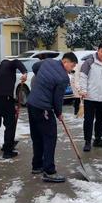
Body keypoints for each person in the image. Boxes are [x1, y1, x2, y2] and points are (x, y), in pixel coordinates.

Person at [27, 52, 78, 183]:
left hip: (31, 103)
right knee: (50, 137)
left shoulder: (48, 62)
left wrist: (42, 80)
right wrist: (58, 113)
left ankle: (37, 166)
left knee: (37, 136)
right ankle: (49, 171)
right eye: (72, 66)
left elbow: (35, 67)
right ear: (65, 62)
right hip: (43, 108)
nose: (72, 69)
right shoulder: (63, 78)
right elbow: (58, 98)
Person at [0, 59, 28, 158]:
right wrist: (24, 73)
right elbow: (17, 62)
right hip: (4, 97)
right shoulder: (9, 64)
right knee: (10, 123)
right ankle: (7, 150)